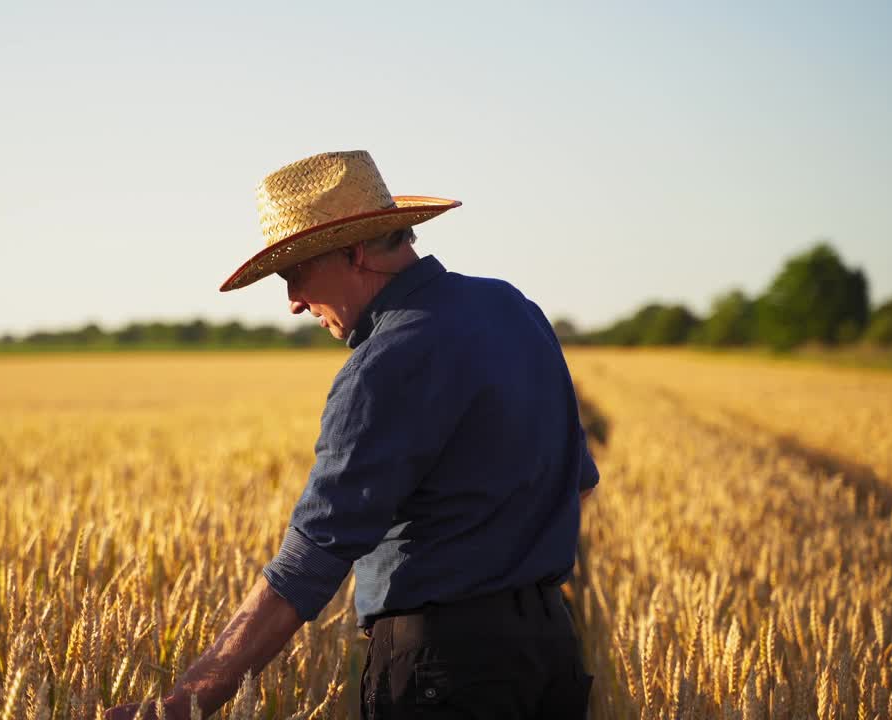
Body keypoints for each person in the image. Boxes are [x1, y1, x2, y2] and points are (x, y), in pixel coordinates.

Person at [107, 150, 598, 719]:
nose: (292, 302)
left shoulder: (385, 361)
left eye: (295, 273)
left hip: (448, 672)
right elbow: (579, 484)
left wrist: (179, 707)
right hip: (551, 654)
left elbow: (311, 560)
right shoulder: (514, 308)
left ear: (355, 251)